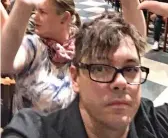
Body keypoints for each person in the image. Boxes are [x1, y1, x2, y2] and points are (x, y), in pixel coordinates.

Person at [2, 11, 168, 138]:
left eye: (130, 69)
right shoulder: (35, 131)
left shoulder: (151, 121)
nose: (121, 82)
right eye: (101, 69)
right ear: (75, 78)